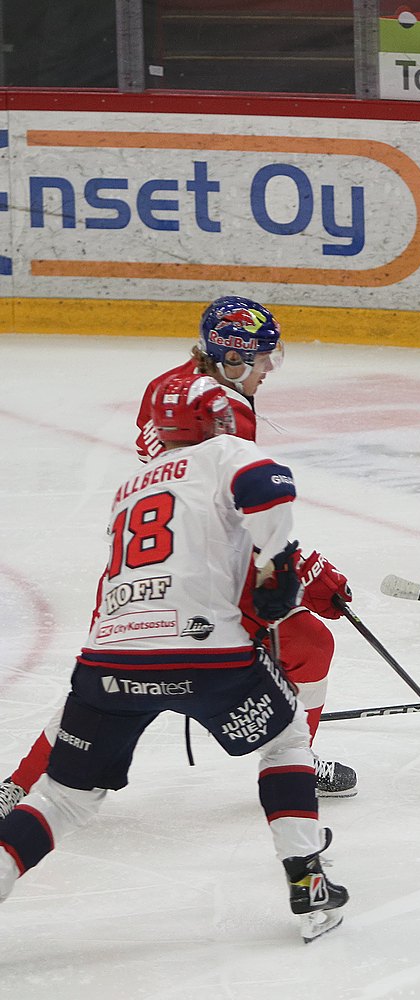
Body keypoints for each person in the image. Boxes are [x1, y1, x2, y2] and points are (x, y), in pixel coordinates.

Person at [0, 373, 351, 941]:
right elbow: (270, 485)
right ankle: (308, 884)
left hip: (110, 659)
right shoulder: (226, 451)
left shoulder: (130, 486)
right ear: (217, 420)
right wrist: (282, 568)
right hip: (204, 656)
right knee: (285, 742)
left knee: (64, 799)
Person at [0, 296, 355, 820]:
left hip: (138, 561)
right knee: (304, 645)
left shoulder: (172, 388)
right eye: (262, 359)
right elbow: (238, 507)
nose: (267, 370)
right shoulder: (223, 410)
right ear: (233, 359)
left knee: (106, 682)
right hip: (195, 568)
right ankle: (291, 758)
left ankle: (16, 786)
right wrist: (304, 571)